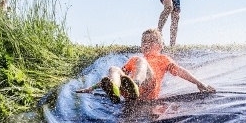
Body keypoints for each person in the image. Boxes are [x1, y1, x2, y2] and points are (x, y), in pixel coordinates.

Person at [76, 29, 215, 104]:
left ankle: (135, 85)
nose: (146, 44)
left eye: (151, 41)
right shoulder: (133, 60)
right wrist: (91, 88)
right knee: (114, 68)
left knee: (141, 61)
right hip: (129, 92)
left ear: (160, 46)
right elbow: (119, 74)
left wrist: (199, 83)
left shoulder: (163, 59)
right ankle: (116, 92)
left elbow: (180, 71)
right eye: (144, 42)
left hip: (149, 88)